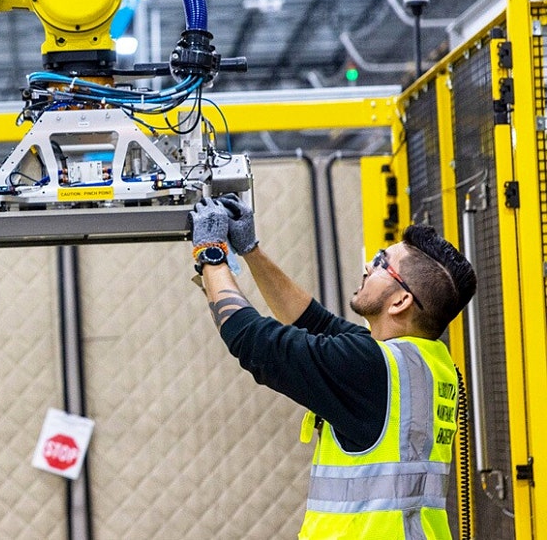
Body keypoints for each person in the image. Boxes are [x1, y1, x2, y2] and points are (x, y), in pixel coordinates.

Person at [189, 194, 476, 540]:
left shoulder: (370, 367)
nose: (369, 266)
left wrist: (211, 256)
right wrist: (251, 250)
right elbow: (312, 322)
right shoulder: (429, 364)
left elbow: (254, 342)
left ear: (401, 301)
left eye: (383, 263)